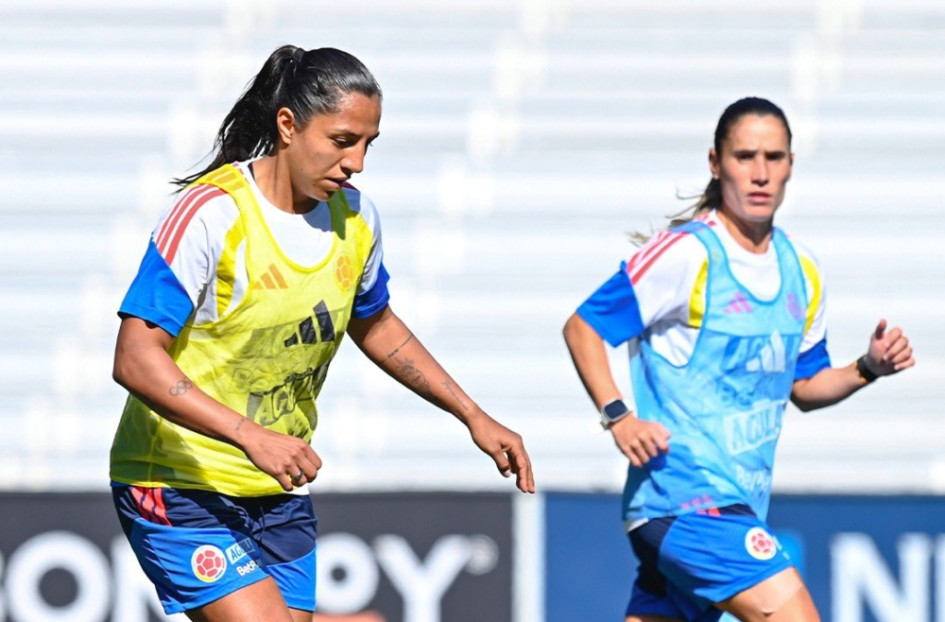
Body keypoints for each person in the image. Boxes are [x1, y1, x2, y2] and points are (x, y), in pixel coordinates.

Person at [109, 44, 534, 622]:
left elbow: (377, 323)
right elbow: (135, 358)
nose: (356, 162)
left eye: (367, 145)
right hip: (177, 481)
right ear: (288, 125)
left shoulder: (356, 219)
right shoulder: (213, 214)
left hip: (277, 489)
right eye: (341, 141)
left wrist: (473, 415)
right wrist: (249, 436)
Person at [562, 96, 914, 622]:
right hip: (685, 498)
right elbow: (583, 327)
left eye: (773, 157)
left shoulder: (802, 270)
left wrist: (867, 368)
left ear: (791, 164)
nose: (760, 173)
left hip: (732, 504)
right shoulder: (687, 254)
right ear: (715, 163)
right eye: (745, 156)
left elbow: (805, 387)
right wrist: (619, 415)